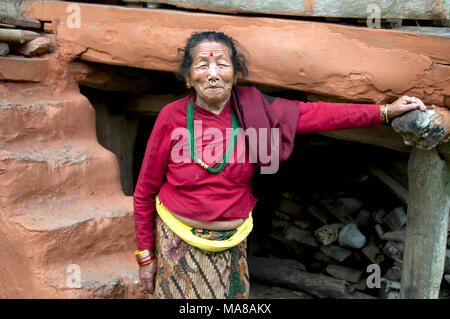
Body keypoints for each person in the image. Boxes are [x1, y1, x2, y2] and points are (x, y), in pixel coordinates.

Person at [133, 31, 449, 299]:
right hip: (177, 247)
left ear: (235, 74)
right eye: (203, 65)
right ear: (189, 78)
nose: (213, 72)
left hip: (231, 250)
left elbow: (318, 114)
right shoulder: (171, 118)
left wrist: (383, 112)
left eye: (222, 64)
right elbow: (144, 192)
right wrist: (146, 257)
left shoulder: (255, 110)